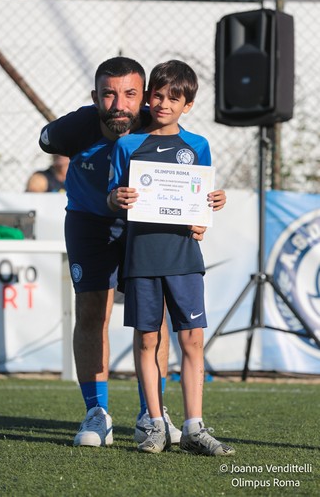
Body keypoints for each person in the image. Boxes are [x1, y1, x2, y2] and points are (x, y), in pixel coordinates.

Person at [38, 57, 226, 448]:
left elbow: (193, 181)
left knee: (152, 321)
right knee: (93, 312)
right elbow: (46, 139)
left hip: (145, 229)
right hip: (90, 222)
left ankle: (150, 415)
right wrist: (70, 129)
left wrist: (199, 215)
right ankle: (96, 413)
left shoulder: (158, 125)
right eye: (108, 94)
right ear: (96, 97)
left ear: (143, 97)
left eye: (130, 94)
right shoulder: (82, 124)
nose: (119, 104)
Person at [107, 59, 235, 455]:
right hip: (142, 255)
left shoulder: (198, 146)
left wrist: (213, 205)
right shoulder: (127, 144)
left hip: (183, 255)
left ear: (188, 105)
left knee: (192, 339)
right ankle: (154, 422)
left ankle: (194, 426)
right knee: (148, 339)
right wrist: (117, 197)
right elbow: (112, 197)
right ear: (148, 98)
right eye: (158, 95)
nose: (164, 103)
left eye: (173, 98)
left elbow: (201, 202)